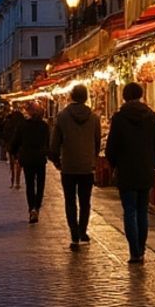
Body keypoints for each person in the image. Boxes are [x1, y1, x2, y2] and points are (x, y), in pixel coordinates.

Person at [105, 82, 155, 264]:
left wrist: (114, 164)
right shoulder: (151, 116)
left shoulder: (119, 118)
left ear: (124, 96)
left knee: (129, 211)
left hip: (126, 170)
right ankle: (142, 248)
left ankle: (134, 251)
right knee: (142, 211)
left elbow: (111, 147)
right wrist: (152, 164)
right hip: (145, 170)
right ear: (141, 94)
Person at [50, 84, 102, 250]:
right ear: (86, 97)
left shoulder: (62, 116)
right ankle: (83, 231)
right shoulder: (93, 117)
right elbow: (97, 141)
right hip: (87, 166)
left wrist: (57, 161)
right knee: (85, 201)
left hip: (69, 166)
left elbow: (54, 144)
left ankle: (74, 234)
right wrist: (92, 158)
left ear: (71, 96)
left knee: (70, 201)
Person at [10, 103, 50, 223]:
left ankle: (32, 208)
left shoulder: (23, 125)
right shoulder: (44, 126)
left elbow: (16, 141)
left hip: (27, 158)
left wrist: (14, 152)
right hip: (40, 158)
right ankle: (36, 207)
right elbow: (48, 142)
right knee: (41, 184)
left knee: (30, 184)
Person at [0, 109, 24, 189]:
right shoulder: (23, 124)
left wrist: (6, 143)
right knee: (19, 165)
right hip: (20, 147)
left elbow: (4, 134)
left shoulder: (8, 123)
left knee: (12, 165)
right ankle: (17, 182)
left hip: (11, 146)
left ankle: (12, 182)